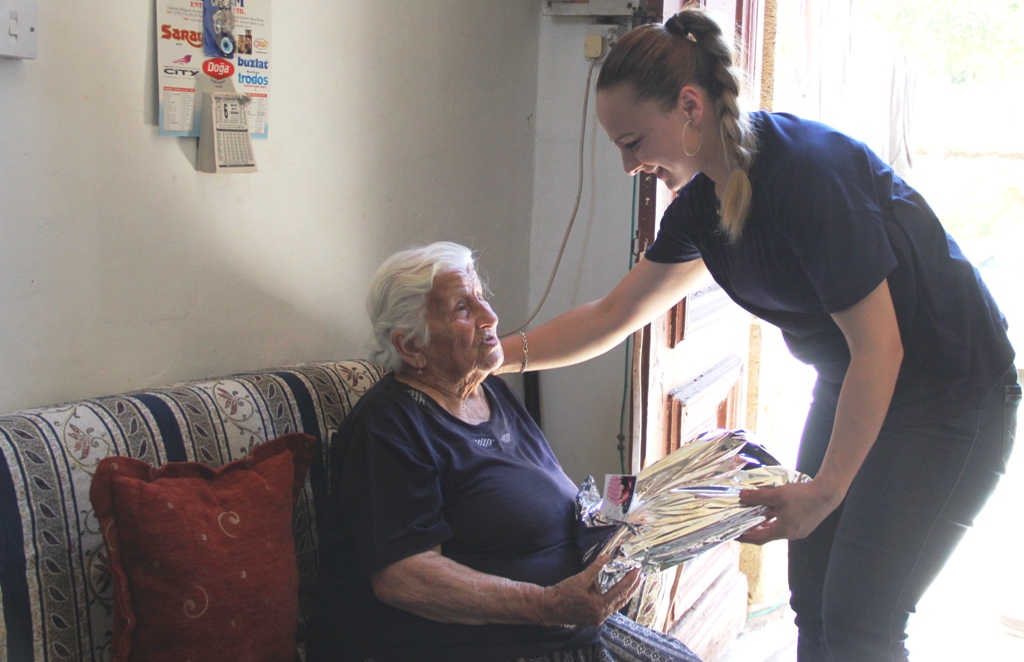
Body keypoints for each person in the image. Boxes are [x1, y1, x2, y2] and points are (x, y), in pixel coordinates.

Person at [497, 10, 1019, 662]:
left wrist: (826, 490)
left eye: (632, 141)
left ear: (689, 106)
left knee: (861, 617)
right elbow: (611, 316)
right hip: (853, 381)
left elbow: (880, 348)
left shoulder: (808, 175)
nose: (629, 165)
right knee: (814, 599)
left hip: (950, 396)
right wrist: (495, 359)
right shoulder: (701, 208)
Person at [306, 242, 704, 662]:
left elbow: (555, 499)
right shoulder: (389, 427)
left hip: (563, 632)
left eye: (481, 296)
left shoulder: (488, 388)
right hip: (484, 647)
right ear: (409, 347)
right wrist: (546, 604)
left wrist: (640, 507)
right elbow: (406, 577)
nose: (491, 316)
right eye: (462, 308)